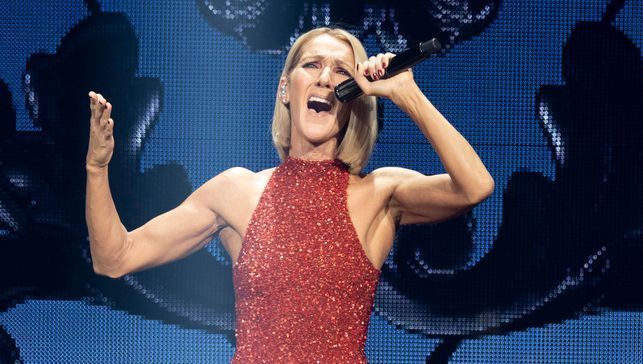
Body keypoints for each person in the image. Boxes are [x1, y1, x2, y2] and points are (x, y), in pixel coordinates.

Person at [86, 27, 494, 363]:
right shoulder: (235, 191)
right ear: (286, 88)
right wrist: (96, 168)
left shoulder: (379, 193)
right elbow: (114, 258)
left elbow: (475, 185)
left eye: (340, 71)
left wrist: (406, 93)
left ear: (355, 94)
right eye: (311, 65)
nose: (324, 78)